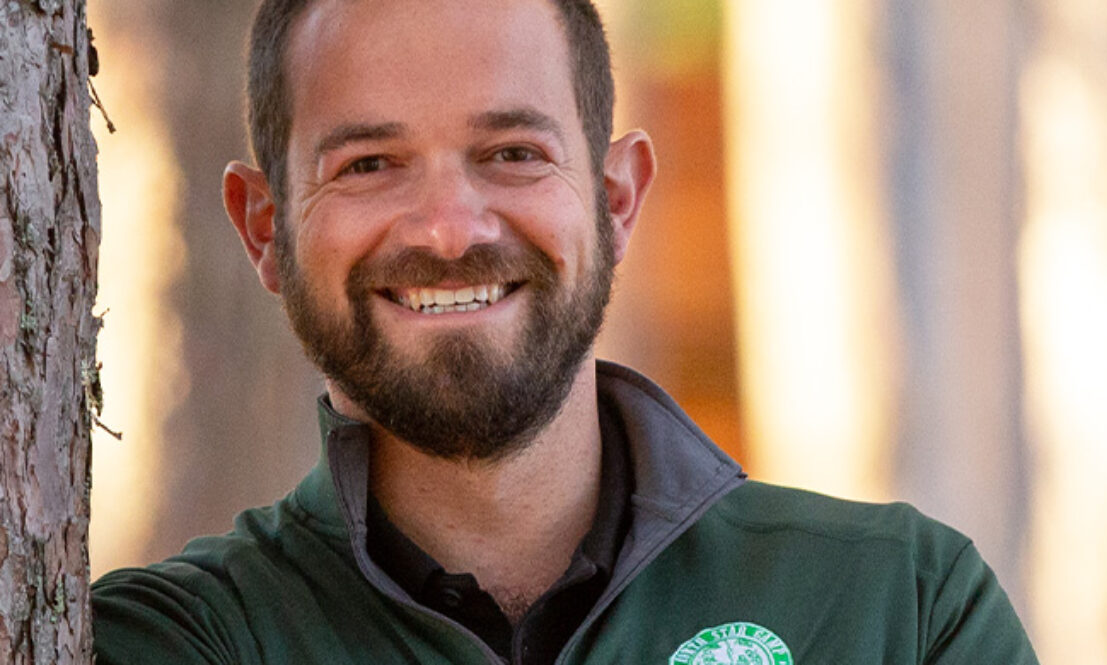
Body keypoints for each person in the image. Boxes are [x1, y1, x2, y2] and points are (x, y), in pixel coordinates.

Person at [92, 0, 1040, 663]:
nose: (450, 228)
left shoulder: (898, 608)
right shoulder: (183, 641)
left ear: (617, 196)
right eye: (371, 164)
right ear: (265, 227)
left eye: (512, 153)